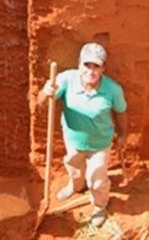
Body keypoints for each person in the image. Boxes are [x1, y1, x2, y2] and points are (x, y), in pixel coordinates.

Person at [37, 42, 128, 228]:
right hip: (73, 141)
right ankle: (76, 186)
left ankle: (100, 206)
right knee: (74, 168)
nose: (91, 71)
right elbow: (41, 103)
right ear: (79, 64)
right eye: (87, 65)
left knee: (97, 181)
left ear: (103, 69)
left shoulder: (113, 90)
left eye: (97, 66)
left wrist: (123, 134)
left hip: (99, 145)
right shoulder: (65, 79)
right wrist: (46, 92)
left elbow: (121, 113)